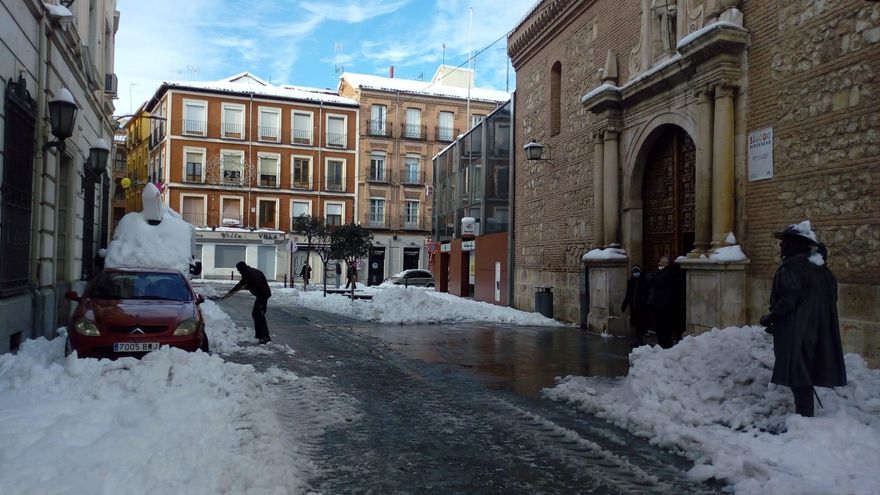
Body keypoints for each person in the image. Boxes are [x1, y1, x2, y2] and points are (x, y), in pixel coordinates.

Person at [760, 222, 846, 417]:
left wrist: (770, 317)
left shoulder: (791, 268)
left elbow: (789, 299)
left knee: (797, 373)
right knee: (804, 371)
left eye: (785, 243)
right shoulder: (822, 270)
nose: (781, 246)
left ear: (794, 245)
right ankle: (805, 416)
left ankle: (804, 418)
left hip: (796, 330)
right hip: (818, 328)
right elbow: (832, 296)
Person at [222, 261, 272, 344]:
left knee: (259, 314)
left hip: (263, 294)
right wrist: (230, 293)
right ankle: (259, 335)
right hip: (260, 295)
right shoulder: (247, 272)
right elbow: (241, 283)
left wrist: (247, 286)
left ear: (242, 268)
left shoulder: (252, 273)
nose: (239, 272)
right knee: (255, 314)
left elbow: (256, 284)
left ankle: (265, 336)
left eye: (239, 270)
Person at [646, 256, 686, 348]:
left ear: (666, 264)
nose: (659, 264)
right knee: (662, 328)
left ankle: (665, 345)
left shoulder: (667, 274)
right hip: (662, 305)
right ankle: (665, 344)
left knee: (663, 328)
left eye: (661, 262)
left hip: (663, 306)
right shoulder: (665, 273)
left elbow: (655, 281)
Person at [621, 265, 651, 347]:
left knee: (642, 323)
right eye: (634, 272)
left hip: (642, 306)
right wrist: (624, 305)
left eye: (637, 272)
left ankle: (641, 339)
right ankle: (638, 339)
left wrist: (646, 302)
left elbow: (648, 293)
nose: (636, 273)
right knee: (636, 325)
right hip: (634, 307)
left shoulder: (644, 281)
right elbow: (628, 295)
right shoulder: (630, 282)